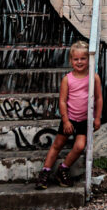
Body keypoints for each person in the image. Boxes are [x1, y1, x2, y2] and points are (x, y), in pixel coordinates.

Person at [35, 41, 102, 189]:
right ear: (71, 60)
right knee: (57, 145)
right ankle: (45, 172)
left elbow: (98, 98)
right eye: (76, 59)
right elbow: (63, 101)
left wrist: (97, 118)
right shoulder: (68, 79)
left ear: (88, 59)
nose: (79, 62)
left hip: (85, 120)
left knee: (79, 146)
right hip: (70, 119)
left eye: (83, 58)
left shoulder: (93, 77)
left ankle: (63, 169)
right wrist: (65, 121)